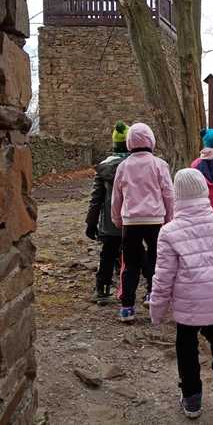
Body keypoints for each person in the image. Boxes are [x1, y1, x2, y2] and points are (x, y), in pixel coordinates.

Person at [149, 168, 213, 419]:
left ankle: (191, 398)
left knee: (186, 346)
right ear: (204, 192)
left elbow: (163, 277)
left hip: (188, 304)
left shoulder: (169, 232)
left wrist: (157, 310)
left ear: (177, 197)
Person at [111, 122, 174, 322]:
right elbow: (168, 193)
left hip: (131, 221)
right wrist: (170, 218)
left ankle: (127, 306)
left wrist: (117, 218)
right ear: (151, 140)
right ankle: (152, 293)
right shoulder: (159, 164)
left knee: (129, 264)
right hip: (155, 220)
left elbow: (116, 196)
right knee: (156, 258)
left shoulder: (123, 166)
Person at [85, 121, 130, 304]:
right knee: (134, 254)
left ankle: (102, 289)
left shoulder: (104, 167)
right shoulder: (135, 166)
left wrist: (91, 222)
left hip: (110, 222)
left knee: (107, 254)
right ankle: (131, 289)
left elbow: (96, 198)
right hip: (132, 220)